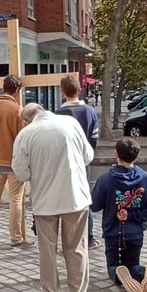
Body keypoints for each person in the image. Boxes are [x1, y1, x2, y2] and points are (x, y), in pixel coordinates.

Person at [13, 104, 93, 292]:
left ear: (27, 120)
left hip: (45, 201)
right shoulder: (71, 123)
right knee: (77, 248)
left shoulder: (26, 134)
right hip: (76, 197)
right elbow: (88, 156)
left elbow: (20, 172)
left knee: (47, 250)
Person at [91, 138, 147, 292]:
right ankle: (141, 273)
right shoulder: (146, 178)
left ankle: (120, 276)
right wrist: (132, 215)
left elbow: (94, 206)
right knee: (133, 264)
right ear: (136, 157)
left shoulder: (105, 179)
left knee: (113, 266)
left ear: (116, 154)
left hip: (113, 232)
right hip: (135, 233)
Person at [54, 74, 101, 249]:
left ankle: (66, 238)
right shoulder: (89, 112)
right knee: (84, 199)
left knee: (64, 200)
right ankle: (88, 238)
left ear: (61, 91)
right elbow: (94, 138)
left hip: (63, 164)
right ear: (80, 90)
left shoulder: (57, 114)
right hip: (83, 163)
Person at [0, 75, 27, 246]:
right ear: (17, 90)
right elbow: (23, 138)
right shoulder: (17, 110)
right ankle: (16, 238)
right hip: (13, 162)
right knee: (15, 199)